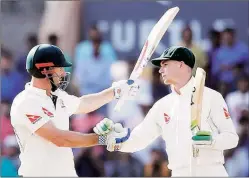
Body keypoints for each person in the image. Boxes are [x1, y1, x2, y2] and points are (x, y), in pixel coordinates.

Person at [94, 46, 239, 176]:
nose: (160, 70)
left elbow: (232, 138)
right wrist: (114, 139)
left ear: (181, 64)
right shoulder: (162, 106)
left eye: (165, 65)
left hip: (210, 172)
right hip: (178, 173)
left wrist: (212, 141)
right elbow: (138, 140)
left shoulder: (212, 97)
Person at [10, 44, 136, 176]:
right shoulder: (26, 102)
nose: (63, 73)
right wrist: (101, 139)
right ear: (44, 70)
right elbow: (59, 138)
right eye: (60, 68)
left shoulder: (56, 96)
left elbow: (83, 104)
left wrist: (115, 92)